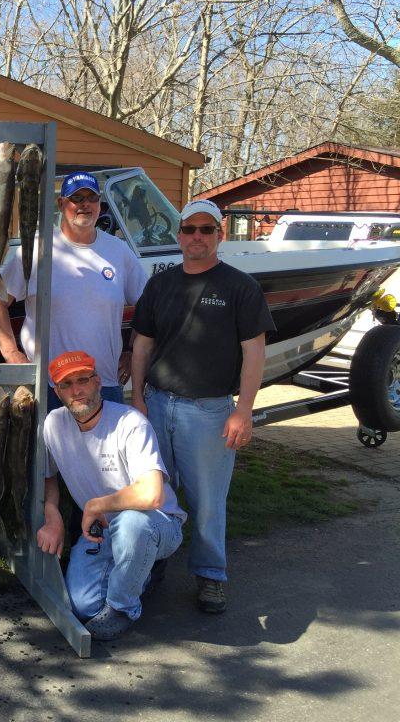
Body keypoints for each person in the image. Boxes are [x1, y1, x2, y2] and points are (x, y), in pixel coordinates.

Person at [130, 198, 275, 615]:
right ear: (178, 236)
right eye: (189, 229)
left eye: (206, 230)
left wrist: (243, 410)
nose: (197, 237)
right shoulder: (160, 284)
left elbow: (254, 353)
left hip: (210, 411)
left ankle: (211, 576)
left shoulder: (240, 287)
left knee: (209, 500)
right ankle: (151, 568)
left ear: (220, 235)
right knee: (154, 493)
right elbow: (142, 343)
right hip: (157, 404)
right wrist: (138, 397)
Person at [36, 350, 185, 641]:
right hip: (102, 531)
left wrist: (97, 504)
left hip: (157, 524)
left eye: (83, 380)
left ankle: (124, 606)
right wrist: (52, 515)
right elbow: (48, 476)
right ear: (57, 391)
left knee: (132, 524)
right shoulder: (53, 424)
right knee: (83, 606)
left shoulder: (130, 422)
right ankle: (139, 574)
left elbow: (153, 494)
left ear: (98, 382)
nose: (76, 390)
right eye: (66, 385)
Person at [0, 171, 147, 409]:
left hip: (106, 384)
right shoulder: (36, 249)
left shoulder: (118, 251)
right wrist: (11, 353)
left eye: (91, 198)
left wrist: (131, 350)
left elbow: (148, 304)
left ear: (99, 205)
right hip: (48, 387)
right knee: (46, 447)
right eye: (77, 198)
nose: (85, 204)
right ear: (61, 204)